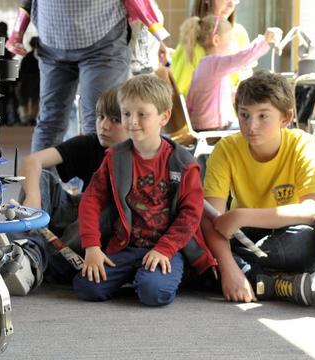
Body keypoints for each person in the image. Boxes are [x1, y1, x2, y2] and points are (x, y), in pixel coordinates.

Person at [73, 74, 214, 306]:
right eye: (126, 113)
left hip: (165, 248)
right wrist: (92, 247)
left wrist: (165, 249)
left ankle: (166, 274)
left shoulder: (183, 163)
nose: (132, 121)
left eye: (142, 114)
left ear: (163, 117)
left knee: (153, 293)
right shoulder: (114, 158)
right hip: (125, 246)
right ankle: (137, 274)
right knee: (87, 287)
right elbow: (91, 201)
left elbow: (190, 214)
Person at [200, 71, 315, 306]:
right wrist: (229, 267)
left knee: (306, 243)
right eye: (244, 115)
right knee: (201, 243)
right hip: (242, 233)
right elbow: (212, 218)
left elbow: (312, 211)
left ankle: (248, 274)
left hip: (285, 233)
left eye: (263, 116)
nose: (251, 126)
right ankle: (275, 283)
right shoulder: (226, 149)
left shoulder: (305, 146)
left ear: (285, 118)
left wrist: (241, 215)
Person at [5, 85, 129, 295]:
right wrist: (34, 197)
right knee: (42, 178)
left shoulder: (137, 157)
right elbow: (32, 161)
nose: (103, 126)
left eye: (114, 120)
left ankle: (39, 258)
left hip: (93, 235)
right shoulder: (90, 143)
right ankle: (28, 257)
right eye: (100, 117)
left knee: (107, 204)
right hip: (72, 218)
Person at [5, 0, 132, 152]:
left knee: (55, 124)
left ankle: (97, 174)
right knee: (102, 121)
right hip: (92, 34)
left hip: (63, 36)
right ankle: (100, 174)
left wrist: (18, 31)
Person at [185, 16, 276, 131]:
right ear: (216, 40)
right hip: (214, 129)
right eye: (230, 39)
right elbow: (243, 58)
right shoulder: (215, 64)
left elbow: (201, 99)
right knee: (261, 128)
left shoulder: (203, 65)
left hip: (200, 127)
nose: (233, 43)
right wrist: (265, 40)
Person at [171, 0, 250, 96]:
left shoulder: (239, 33)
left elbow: (247, 76)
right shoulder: (192, 42)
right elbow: (176, 97)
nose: (231, 4)